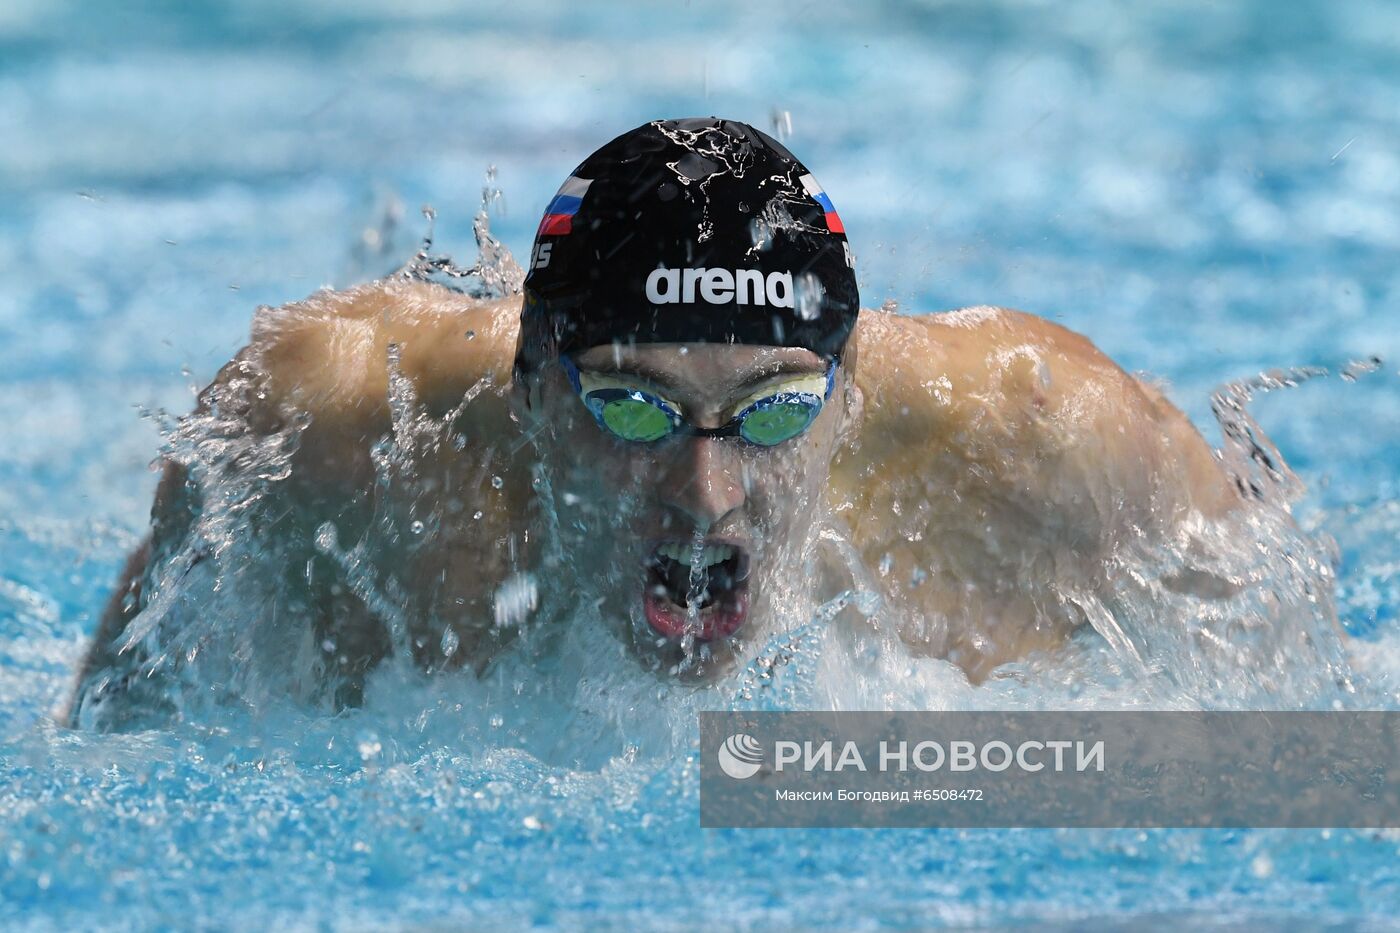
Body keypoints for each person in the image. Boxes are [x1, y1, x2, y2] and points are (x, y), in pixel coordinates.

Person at [67, 118, 1237, 727]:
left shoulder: (1051, 436)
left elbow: (1296, 681)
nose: (702, 492)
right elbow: (123, 728)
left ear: (849, 394)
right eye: (633, 408)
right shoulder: (324, 425)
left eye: (772, 413)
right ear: (532, 388)